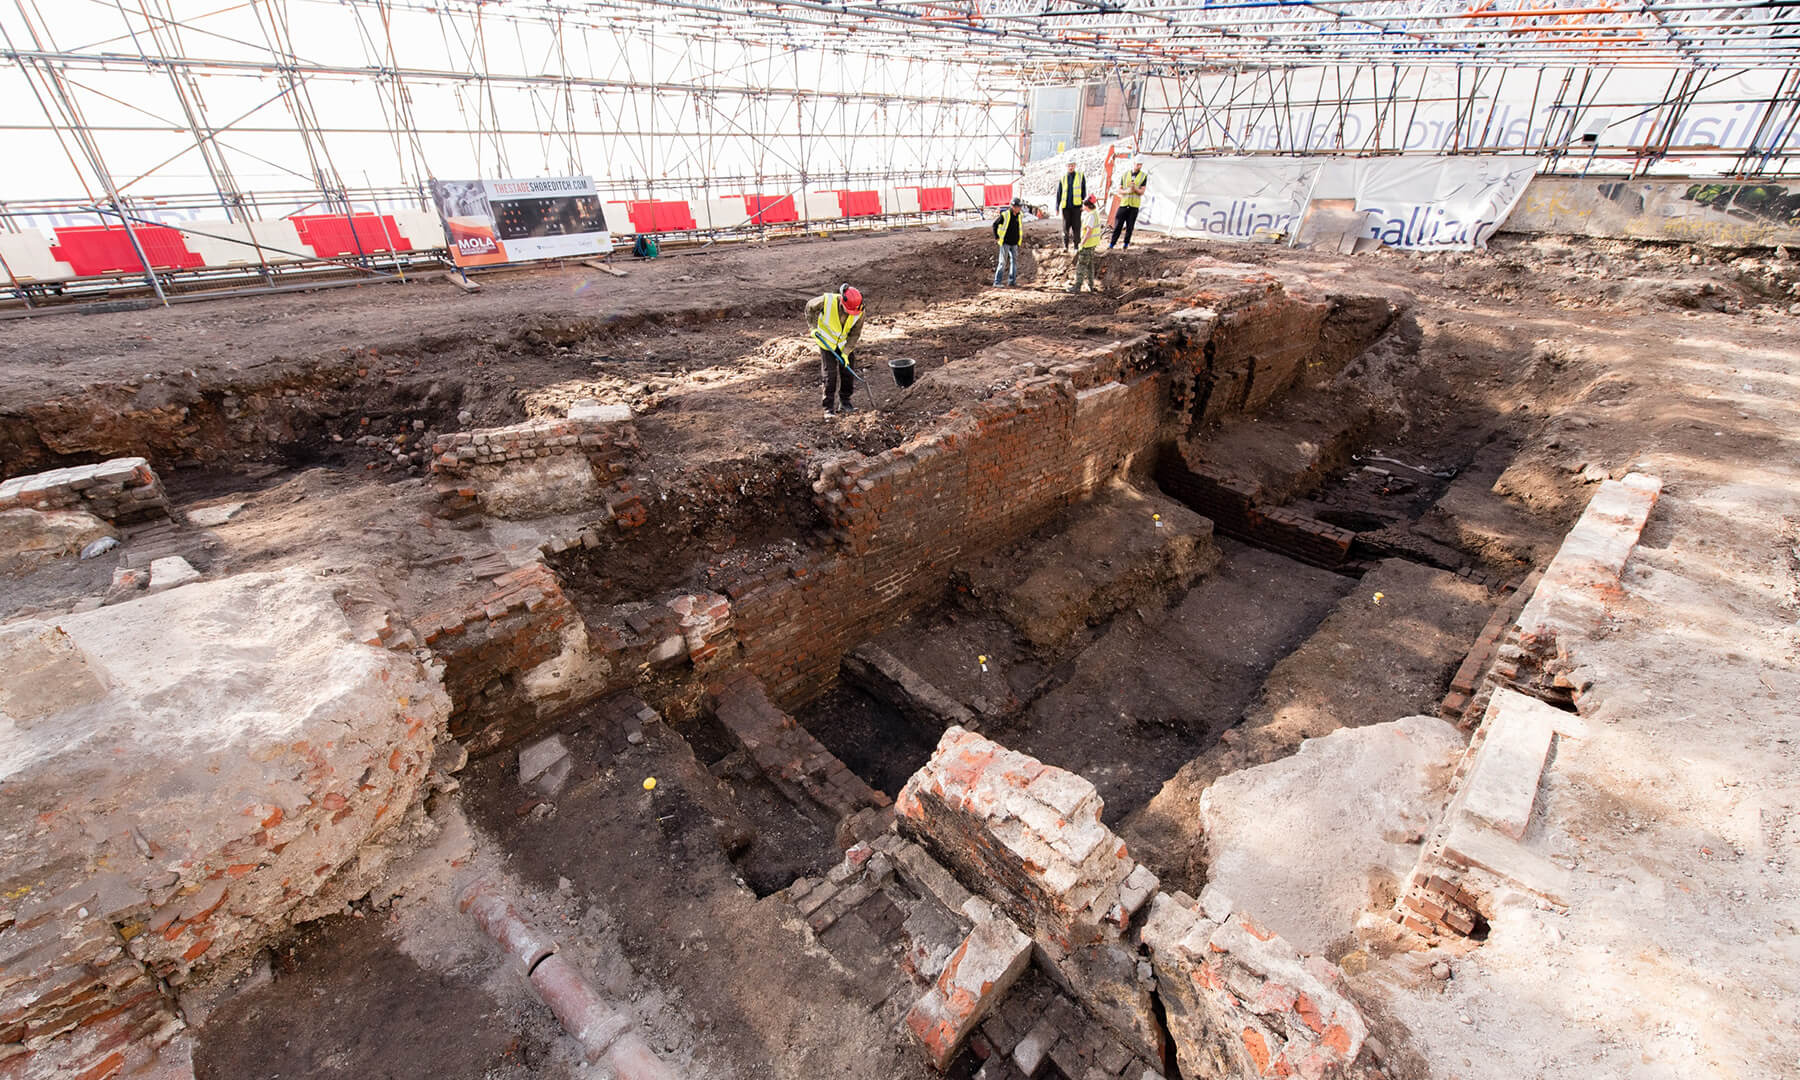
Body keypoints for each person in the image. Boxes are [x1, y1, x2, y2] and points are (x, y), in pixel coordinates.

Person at [806, 283, 864, 417]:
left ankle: (845, 402)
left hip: (844, 343)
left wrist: (845, 353)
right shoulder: (827, 301)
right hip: (827, 343)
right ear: (842, 301)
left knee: (848, 373)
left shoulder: (859, 310)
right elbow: (809, 307)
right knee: (829, 376)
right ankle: (828, 409)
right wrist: (813, 328)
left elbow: (855, 333)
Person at [1110, 160, 1148, 250]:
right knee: (1118, 225)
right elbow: (1120, 190)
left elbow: (1142, 191)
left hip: (1134, 206)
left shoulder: (1143, 176)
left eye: (1140, 164)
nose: (1139, 166)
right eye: (1138, 164)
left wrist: (1135, 189)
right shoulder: (1125, 174)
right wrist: (1127, 191)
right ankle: (1112, 244)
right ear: (1134, 164)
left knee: (1130, 227)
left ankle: (1126, 244)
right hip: (1124, 204)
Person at [1069, 195, 1102, 293]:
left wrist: (1082, 243)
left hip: (1087, 245)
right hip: (1092, 244)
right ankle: (1090, 286)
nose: (1082, 206)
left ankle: (1077, 287)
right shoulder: (1095, 213)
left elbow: (1089, 231)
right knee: (1089, 266)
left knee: (1081, 265)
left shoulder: (1091, 215)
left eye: (1084, 204)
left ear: (1087, 205)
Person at [992, 197, 1023, 287]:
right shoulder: (1005, 215)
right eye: (1018, 207)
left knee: (1014, 262)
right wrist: (997, 237)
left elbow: (1019, 229)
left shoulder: (1019, 215)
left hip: (1014, 243)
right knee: (1002, 262)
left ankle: (1012, 281)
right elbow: (995, 225)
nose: (1020, 208)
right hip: (1005, 242)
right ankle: (997, 282)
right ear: (1013, 207)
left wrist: (1018, 241)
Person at [1056, 161, 1087, 251]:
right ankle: (1065, 246)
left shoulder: (1080, 176)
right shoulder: (1063, 178)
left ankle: (1076, 246)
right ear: (1066, 166)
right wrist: (1057, 207)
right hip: (1066, 207)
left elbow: (1084, 191)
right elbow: (1059, 193)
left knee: (1076, 227)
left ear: (1075, 166)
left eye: (1072, 165)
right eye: (1069, 166)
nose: (1071, 167)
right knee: (1065, 227)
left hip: (1077, 207)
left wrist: (1084, 204)